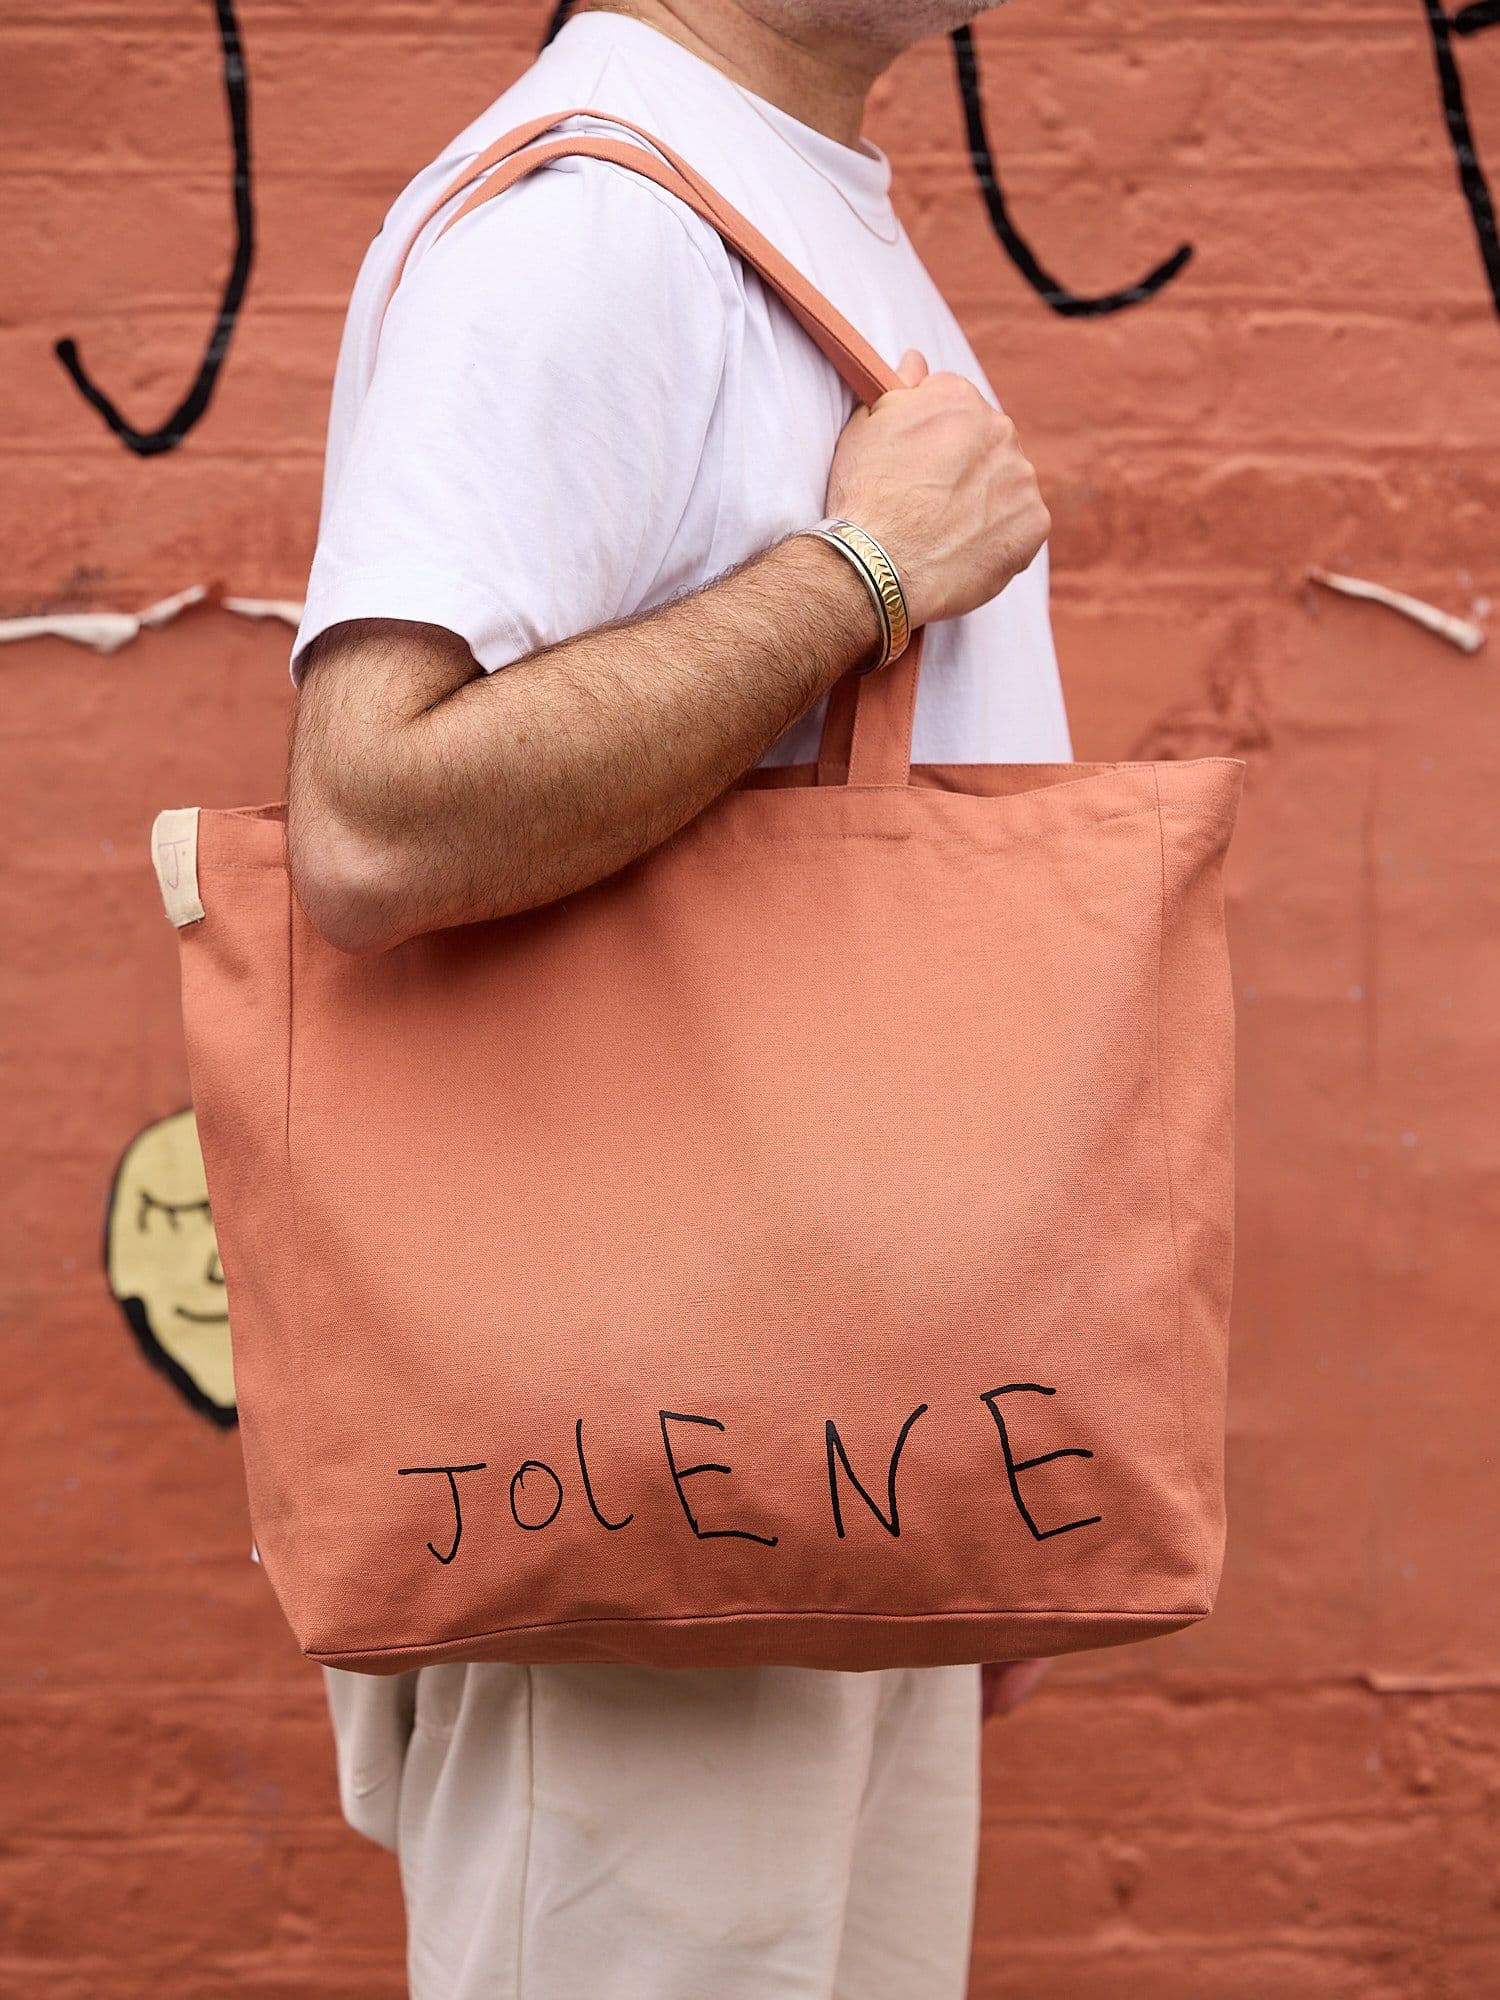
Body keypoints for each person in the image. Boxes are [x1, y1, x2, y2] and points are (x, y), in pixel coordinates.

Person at [288, 3, 1067, 1994]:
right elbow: (373, 817)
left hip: (830, 1440)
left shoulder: (780, 201)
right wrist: (868, 572)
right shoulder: (599, 228)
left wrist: (974, 1431)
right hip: (641, 1471)